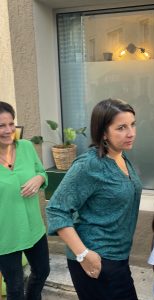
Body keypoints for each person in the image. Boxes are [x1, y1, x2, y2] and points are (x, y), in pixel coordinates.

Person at [46, 99, 142, 300]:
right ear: (104, 132)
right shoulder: (89, 164)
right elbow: (56, 209)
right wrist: (83, 255)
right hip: (96, 260)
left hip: (118, 258)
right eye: (121, 127)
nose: (131, 133)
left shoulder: (120, 156)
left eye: (132, 124)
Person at [0, 101, 50, 300]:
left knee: (42, 271)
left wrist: (39, 179)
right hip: (5, 233)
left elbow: (41, 173)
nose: (8, 130)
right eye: (1, 125)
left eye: (11, 124)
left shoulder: (27, 147)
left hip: (33, 227)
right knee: (14, 285)